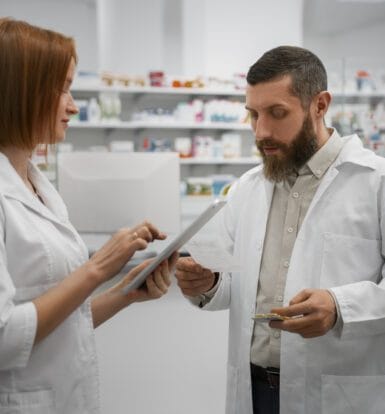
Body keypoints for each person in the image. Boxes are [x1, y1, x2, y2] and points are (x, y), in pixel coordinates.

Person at [175, 45, 385, 414]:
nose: (261, 131)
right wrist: (207, 284)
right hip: (254, 390)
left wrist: (340, 306)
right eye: (253, 114)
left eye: (277, 113)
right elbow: (231, 286)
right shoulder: (248, 187)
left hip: (336, 395)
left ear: (319, 105)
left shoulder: (375, 181)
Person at [0, 18, 177, 414]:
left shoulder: (37, 183)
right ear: (21, 89)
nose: (74, 105)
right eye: (62, 88)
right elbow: (6, 339)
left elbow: (62, 325)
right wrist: (96, 268)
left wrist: (123, 294)